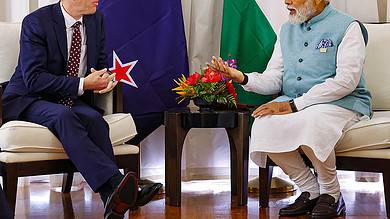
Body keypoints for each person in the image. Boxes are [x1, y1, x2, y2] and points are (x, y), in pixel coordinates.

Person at [210, 0, 372, 218]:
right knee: (263, 122)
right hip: (296, 103)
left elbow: (346, 81)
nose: (286, 1)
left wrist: (294, 105)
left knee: (313, 119)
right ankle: (310, 189)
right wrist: (243, 77)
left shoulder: (348, 27)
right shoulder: (287, 29)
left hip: (339, 101)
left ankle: (331, 193)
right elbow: (274, 79)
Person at [1, 0, 162, 218]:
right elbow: (34, 79)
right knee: (63, 116)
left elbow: (99, 63)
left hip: (69, 98)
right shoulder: (36, 22)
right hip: (29, 98)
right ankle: (115, 183)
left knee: (94, 120)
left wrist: (103, 80)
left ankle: (113, 202)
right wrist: (84, 84)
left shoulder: (96, 20)